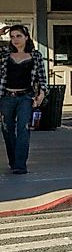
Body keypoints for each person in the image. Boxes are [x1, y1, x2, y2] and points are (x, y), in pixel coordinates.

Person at [1, 24, 49, 175]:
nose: (15, 39)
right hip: (6, 97)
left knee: (23, 129)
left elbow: (42, 79)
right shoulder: (4, 54)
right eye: (12, 36)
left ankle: (20, 165)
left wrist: (41, 94)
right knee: (7, 129)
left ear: (26, 37)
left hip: (25, 97)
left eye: (19, 36)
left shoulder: (35, 56)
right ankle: (13, 160)